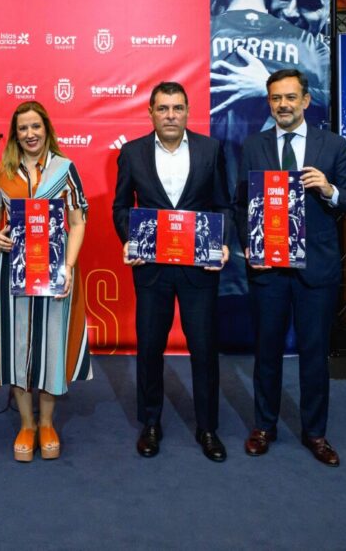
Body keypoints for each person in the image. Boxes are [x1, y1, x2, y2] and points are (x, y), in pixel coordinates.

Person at [236, 68, 346, 467]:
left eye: (291, 97)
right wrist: (247, 244)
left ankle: (316, 433)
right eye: (276, 99)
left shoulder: (332, 145)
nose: (283, 105)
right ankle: (264, 427)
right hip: (269, 269)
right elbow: (241, 203)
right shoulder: (253, 146)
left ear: (306, 101)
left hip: (317, 268)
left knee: (313, 353)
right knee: (267, 351)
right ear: (269, 103)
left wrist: (329, 190)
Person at [112, 82, 232, 462]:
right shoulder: (132, 154)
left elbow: (223, 205)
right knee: (149, 349)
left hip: (199, 268)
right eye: (162, 108)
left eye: (177, 108)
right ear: (150, 112)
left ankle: (208, 427)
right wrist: (131, 238)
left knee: (204, 350)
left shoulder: (210, 149)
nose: (170, 115)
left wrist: (223, 242)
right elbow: (120, 207)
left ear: (187, 111)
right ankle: (150, 423)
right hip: (152, 269)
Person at [0, 100, 92, 462]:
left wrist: (69, 267)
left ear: (47, 129)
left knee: (50, 345)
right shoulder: (3, 170)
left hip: (54, 271)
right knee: (16, 346)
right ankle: (26, 424)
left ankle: (47, 422)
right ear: (15, 133)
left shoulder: (65, 169)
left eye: (35, 127)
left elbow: (78, 223)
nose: (30, 134)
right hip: (9, 271)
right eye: (23, 128)